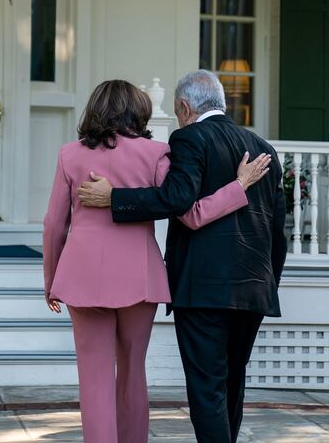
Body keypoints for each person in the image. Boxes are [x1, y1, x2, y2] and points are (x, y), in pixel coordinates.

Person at [43, 79, 271, 443]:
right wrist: (237, 187)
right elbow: (191, 213)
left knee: (94, 378)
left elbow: (55, 224)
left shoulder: (70, 154)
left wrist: (51, 280)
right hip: (140, 280)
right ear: (138, 112)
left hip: (81, 278)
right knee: (133, 372)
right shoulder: (156, 153)